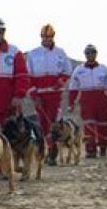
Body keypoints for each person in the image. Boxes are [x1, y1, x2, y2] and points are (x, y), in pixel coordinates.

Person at [26, 24, 72, 166]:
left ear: (53, 37)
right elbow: (28, 75)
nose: (47, 39)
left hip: (54, 94)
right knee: (42, 122)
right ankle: (45, 149)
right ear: (41, 37)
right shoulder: (33, 54)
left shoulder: (60, 53)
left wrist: (61, 81)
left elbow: (67, 70)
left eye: (49, 37)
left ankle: (53, 151)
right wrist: (34, 94)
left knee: (53, 122)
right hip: (40, 94)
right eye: (44, 37)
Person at [68, 44, 107, 157]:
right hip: (86, 98)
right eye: (88, 53)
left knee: (103, 124)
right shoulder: (79, 70)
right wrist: (71, 103)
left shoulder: (103, 69)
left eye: (92, 52)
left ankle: (103, 146)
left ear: (96, 54)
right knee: (88, 125)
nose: (90, 55)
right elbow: (73, 88)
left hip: (101, 97)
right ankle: (90, 149)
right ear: (85, 55)